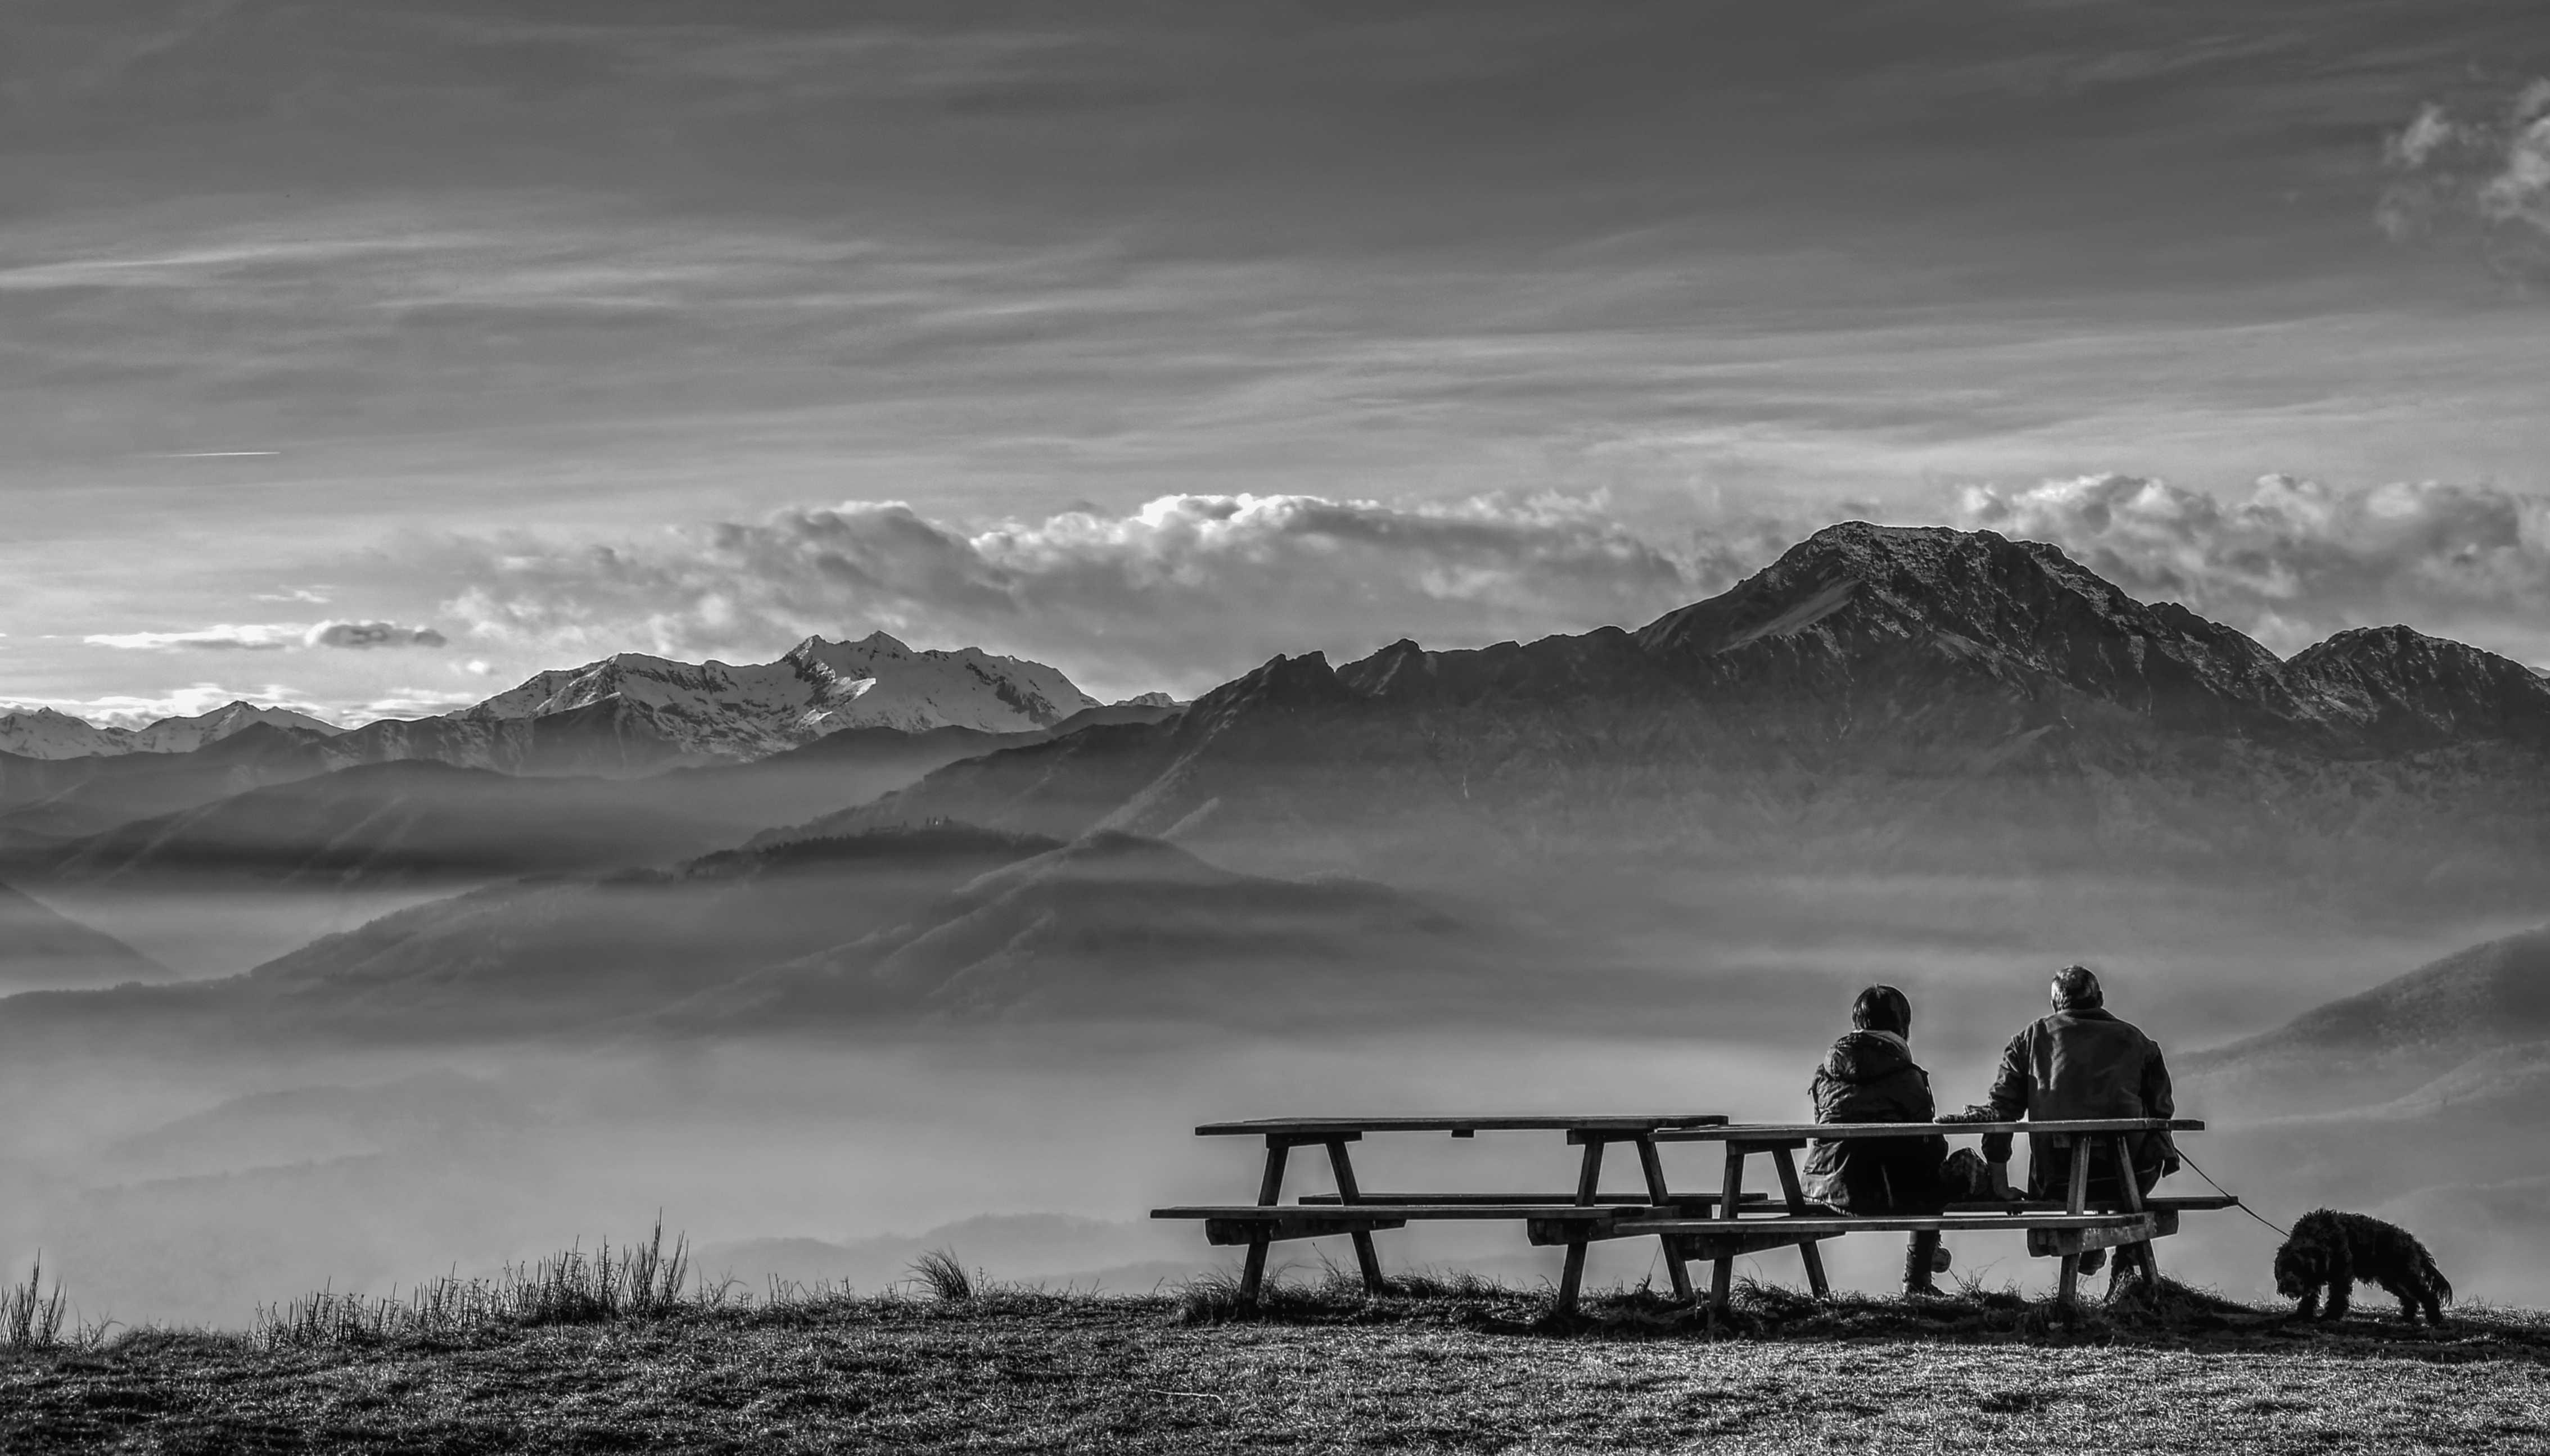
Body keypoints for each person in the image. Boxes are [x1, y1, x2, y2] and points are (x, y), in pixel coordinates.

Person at [1957, 964, 2179, 1286]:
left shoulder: (2030, 1040)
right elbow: (2162, 1111)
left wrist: (2000, 1185)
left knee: (2088, 1156)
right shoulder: (2138, 1041)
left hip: (2057, 1180)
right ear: (2100, 999)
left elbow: (2001, 1113)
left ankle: (2097, 1237)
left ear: (2055, 1006)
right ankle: (2124, 1261)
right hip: (2129, 1177)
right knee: (2134, 1154)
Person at [1801, 984, 1983, 1295]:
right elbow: (1928, 1140)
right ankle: (1918, 1280)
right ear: (1903, 1027)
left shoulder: (1825, 1073)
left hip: (1824, 1188)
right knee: (1947, 1172)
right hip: (1884, 1191)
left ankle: (1923, 1267)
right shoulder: (1906, 1076)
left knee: (1921, 1173)